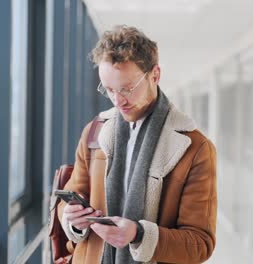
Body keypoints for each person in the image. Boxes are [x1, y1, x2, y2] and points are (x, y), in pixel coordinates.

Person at [57, 25, 217, 264]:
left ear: (155, 75)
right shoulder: (95, 132)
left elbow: (200, 244)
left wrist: (139, 234)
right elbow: (68, 202)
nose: (118, 100)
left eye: (127, 89)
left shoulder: (195, 148)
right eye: (109, 90)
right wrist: (73, 220)